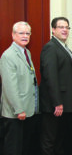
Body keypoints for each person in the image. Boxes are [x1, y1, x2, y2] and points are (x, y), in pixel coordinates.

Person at [40, 17, 72, 155]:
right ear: (53, 30)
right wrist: (57, 102)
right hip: (54, 105)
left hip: (64, 103)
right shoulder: (50, 48)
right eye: (61, 27)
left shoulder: (64, 47)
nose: (64, 30)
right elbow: (50, 77)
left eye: (67, 27)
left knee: (59, 140)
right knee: (49, 140)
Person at [0, 21, 39, 155]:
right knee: (13, 148)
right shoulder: (8, 55)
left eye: (28, 33)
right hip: (15, 113)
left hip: (28, 110)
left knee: (24, 147)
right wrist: (19, 109)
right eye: (21, 33)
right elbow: (10, 87)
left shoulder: (26, 52)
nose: (25, 36)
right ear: (13, 35)